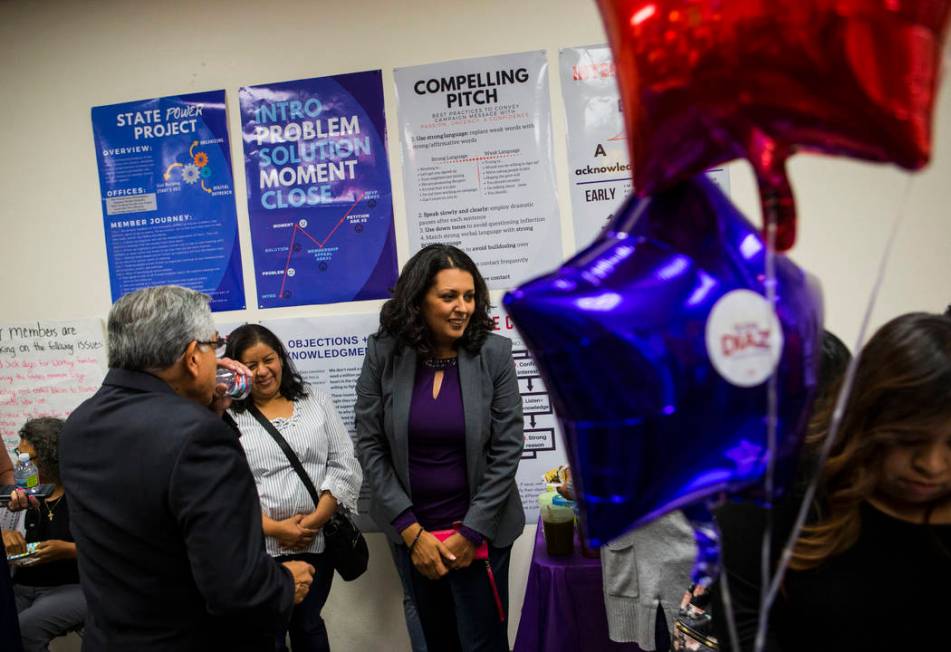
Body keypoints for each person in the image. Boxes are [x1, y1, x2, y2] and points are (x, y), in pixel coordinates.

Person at [52, 285, 314, 651]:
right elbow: (234, 589)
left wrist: (209, 412)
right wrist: (285, 583)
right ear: (193, 357)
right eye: (214, 345)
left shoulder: (80, 423)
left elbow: (146, 528)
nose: (217, 359)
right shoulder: (198, 437)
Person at [713, 313, 951, 650]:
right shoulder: (784, 484)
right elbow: (741, 618)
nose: (931, 465)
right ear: (866, 416)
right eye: (909, 440)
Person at [356, 244, 525, 652]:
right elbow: (369, 442)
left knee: (484, 643)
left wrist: (469, 533)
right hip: (414, 534)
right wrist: (413, 533)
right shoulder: (384, 352)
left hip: (480, 534)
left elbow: (507, 448)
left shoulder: (494, 354)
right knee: (436, 641)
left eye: (469, 297)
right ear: (418, 300)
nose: (462, 307)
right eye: (448, 296)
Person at [225, 324, 363, 652]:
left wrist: (316, 520)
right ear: (237, 369)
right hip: (259, 547)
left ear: (282, 359)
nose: (262, 371)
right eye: (251, 365)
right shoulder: (227, 415)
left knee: (308, 623)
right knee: (266, 632)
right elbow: (227, 489)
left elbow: (344, 461)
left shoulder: (315, 400)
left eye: (268, 359)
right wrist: (274, 529)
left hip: (316, 541)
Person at [1, 418, 85, 651]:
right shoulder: (19, 497)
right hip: (22, 585)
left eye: (29, 459)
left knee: (26, 629)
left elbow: (112, 549)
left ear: (53, 457)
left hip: (72, 587)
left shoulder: (83, 496)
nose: (21, 464)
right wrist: (5, 537)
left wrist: (67, 550)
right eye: (19, 455)